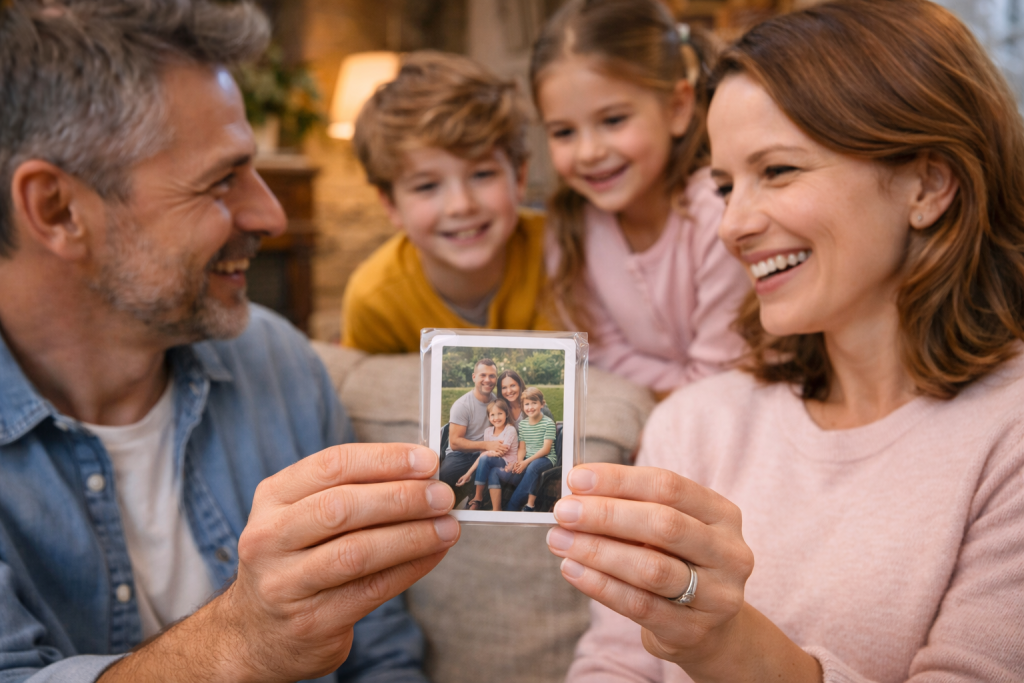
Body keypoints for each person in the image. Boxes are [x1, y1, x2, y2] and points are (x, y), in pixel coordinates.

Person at [546, 1, 1024, 681]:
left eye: (777, 171)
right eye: (722, 184)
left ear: (928, 182)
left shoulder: (1009, 436)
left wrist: (721, 643)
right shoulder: (694, 423)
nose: (731, 224)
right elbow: (614, 664)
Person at [0, 2, 460, 682]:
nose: (269, 213)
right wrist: (238, 638)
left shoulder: (278, 361)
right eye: (221, 179)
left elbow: (382, 654)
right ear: (58, 209)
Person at [530, 0, 749, 397]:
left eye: (613, 120)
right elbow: (600, 358)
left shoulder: (720, 215)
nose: (588, 152)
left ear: (678, 108)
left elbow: (721, 376)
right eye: (563, 132)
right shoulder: (571, 227)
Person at [341, 51, 554, 354]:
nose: (461, 205)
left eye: (482, 174)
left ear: (519, 177)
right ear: (390, 205)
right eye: (427, 185)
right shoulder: (374, 300)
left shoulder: (562, 254)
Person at [440, 358, 507, 495]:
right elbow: (455, 443)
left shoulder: (497, 404)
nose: (487, 380)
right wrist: (487, 445)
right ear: (474, 377)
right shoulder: (462, 405)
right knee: (444, 476)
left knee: (503, 476)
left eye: (492, 376)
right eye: (483, 375)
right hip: (461, 454)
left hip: (486, 453)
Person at [498, 388, 557, 512]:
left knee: (533, 467)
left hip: (546, 458)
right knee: (516, 470)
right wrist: (520, 462)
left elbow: (546, 450)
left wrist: (526, 462)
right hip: (528, 458)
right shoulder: (523, 425)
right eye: (527, 404)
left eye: (534, 403)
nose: (530, 407)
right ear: (522, 406)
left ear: (542, 404)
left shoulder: (548, 423)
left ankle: (513, 505)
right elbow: (522, 448)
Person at [456, 398, 519, 511]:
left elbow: (501, 452)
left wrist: (489, 450)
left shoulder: (510, 430)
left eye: (500, 413)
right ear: (489, 417)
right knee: (490, 470)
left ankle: (478, 497)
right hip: (495, 464)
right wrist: (467, 474)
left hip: (508, 464)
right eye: (493, 415)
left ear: (506, 414)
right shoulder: (488, 431)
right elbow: (483, 456)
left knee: (486, 458)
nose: (496, 418)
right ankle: (496, 509)